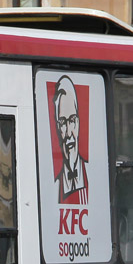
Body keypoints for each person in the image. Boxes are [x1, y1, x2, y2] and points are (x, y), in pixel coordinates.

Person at [53, 75, 88, 204]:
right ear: (57, 128)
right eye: (63, 123)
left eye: (72, 120)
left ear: (78, 123)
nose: (68, 133)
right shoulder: (53, 185)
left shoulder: (95, 176)